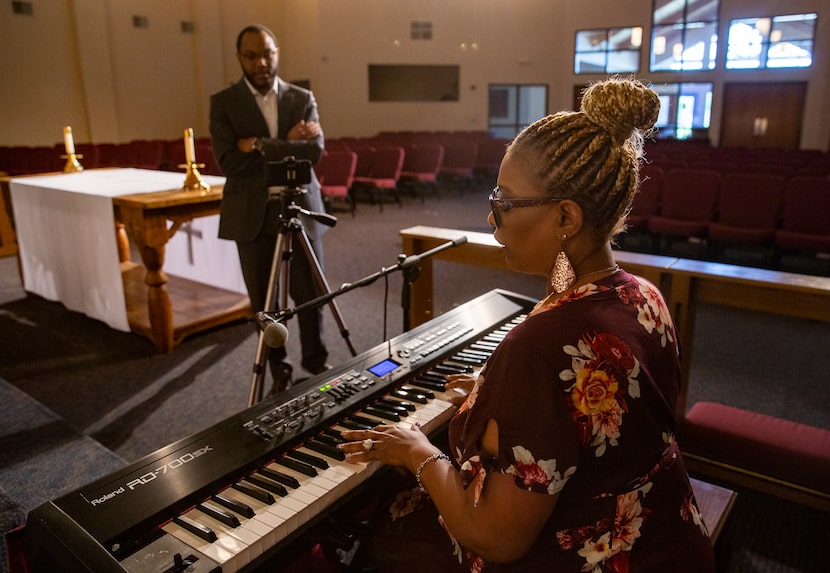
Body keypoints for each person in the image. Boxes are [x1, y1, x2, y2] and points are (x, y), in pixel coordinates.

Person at [338, 78, 716, 572]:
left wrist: (416, 452)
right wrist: (495, 393)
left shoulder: (537, 347)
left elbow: (494, 538)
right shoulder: (644, 296)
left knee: (380, 529)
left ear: (566, 216)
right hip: (670, 540)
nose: (491, 220)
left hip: (589, 559)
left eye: (504, 203)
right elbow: (602, 405)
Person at [209, 24, 330, 394]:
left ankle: (316, 361)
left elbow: (313, 153)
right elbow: (229, 162)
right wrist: (284, 143)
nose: (261, 62)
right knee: (265, 303)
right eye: (251, 55)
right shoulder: (224, 102)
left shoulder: (301, 97)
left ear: (277, 52)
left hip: (301, 209)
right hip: (252, 216)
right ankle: (280, 368)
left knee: (311, 296)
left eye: (268, 53)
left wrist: (258, 145)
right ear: (239, 58)